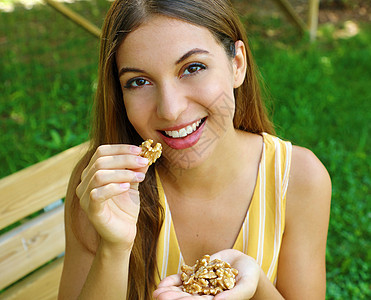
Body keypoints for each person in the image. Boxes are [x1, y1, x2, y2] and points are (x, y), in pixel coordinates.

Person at [58, 0, 331, 299]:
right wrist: (113, 248)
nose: (171, 110)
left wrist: (255, 286)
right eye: (139, 81)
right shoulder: (104, 186)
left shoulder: (298, 179)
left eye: (193, 68)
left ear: (237, 64)